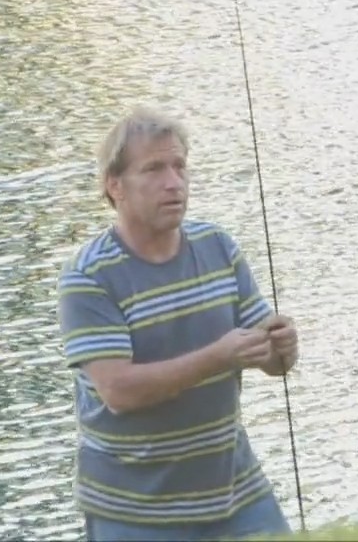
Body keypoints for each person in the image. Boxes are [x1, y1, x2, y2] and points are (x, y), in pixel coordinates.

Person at [56, 107, 300, 541]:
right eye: (154, 169)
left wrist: (282, 347)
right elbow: (119, 391)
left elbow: (271, 360)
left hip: (236, 494)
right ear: (115, 186)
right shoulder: (88, 277)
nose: (174, 182)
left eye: (179, 166)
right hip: (133, 512)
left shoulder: (217, 247)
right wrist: (219, 357)